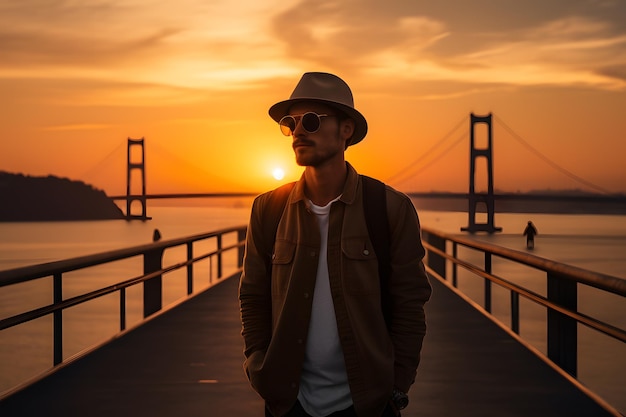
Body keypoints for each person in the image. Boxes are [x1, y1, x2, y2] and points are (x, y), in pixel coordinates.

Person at [239, 72, 432, 417]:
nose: (297, 131)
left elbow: (410, 303)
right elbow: (253, 295)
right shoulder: (268, 210)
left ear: (346, 130)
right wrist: (258, 365)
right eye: (290, 122)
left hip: (367, 404)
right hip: (289, 403)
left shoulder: (388, 208)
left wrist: (397, 386)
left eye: (311, 121)